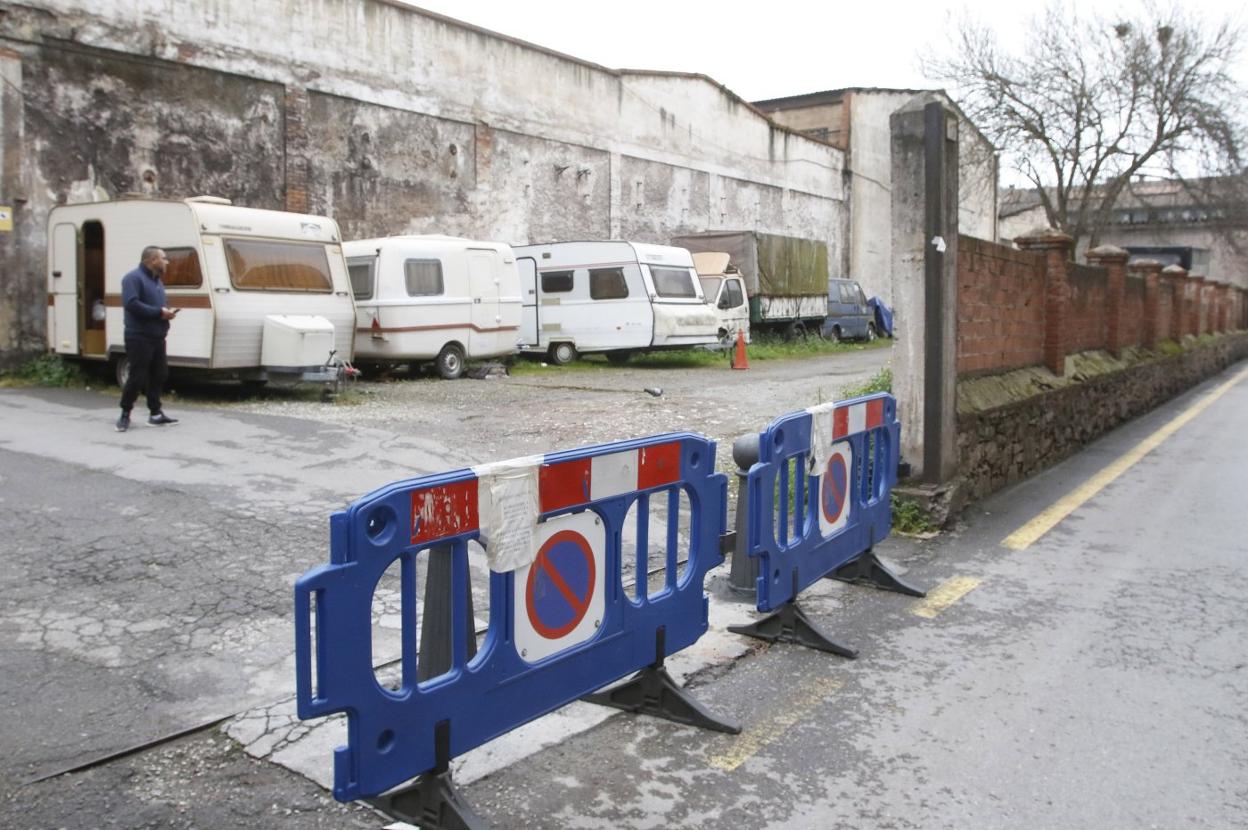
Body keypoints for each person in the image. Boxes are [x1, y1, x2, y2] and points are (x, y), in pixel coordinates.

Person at [116, 246, 179, 432]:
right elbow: (131, 304)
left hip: (157, 336)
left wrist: (167, 313)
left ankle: (155, 414)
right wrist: (159, 312)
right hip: (138, 336)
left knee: (159, 374)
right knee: (137, 377)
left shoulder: (157, 281)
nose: (167, 262)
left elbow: (159, 306)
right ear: (152, 260)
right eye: (163, 258)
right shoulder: (132, 278)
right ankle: (125, 414)